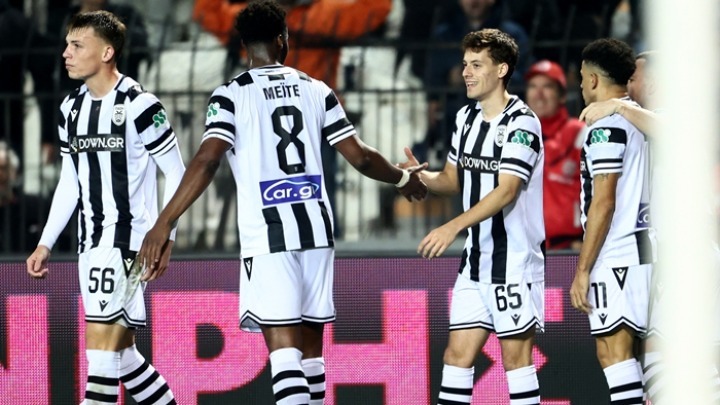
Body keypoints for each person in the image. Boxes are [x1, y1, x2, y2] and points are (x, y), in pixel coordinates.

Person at [137, 2, 427, 404]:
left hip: (269, 235)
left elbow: (207, 160)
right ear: (282, 40)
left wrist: (164, 222)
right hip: (317, 231)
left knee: (285, 355)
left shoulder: (231, 95)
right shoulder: (317, 88)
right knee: (311, 355)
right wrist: (402, 178)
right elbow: (360, 156)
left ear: (243, 45)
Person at [25, 11, 183, 404]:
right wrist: (46, 242)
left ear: (107, 52)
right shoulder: (70, 108)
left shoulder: (141, 105)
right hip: (90, 244)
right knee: (123, 358)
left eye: (77, 45)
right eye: (67, 44)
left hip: (126, 242)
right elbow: (70, 182)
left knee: (100, 358)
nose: (66, 53)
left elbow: (177, 173)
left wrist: (166, 236)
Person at [401, 28, 544, 404]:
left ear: (501, 69)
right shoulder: (465, 117)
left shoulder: (522, 123)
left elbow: (507, 190)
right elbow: (453, 179)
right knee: (456, 358)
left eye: (477, 65)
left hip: (513, 264)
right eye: (465, 64)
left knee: (515, 362)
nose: (466, 72)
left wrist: (452, 226)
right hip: (475, 264)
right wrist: (419, 177)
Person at [568, 38, 655, 405]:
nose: (580, 85)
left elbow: (603, 202)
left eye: (581, 77)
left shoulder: (606, 126)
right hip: (643, 250)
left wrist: (583, 269)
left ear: (592, 80)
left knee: (613, 352)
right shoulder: (637, 120)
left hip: (619, 252)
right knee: (636, 354)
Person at [417, 0, 531, 167]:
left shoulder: (512, 34)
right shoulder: (444, 35)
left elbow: (522, 75)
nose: (473, 1)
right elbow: (434, 78)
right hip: (455, 118)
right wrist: (446, 84)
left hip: (499, 118)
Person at [524, 59, 585, 251]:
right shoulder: (516, 136)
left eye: (548, 86)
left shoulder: (580, 133)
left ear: (562, 96)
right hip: (526, 248)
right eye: (533, 86)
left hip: (570, 247)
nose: (539, 94)